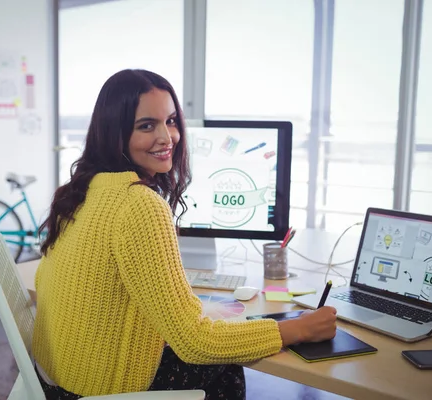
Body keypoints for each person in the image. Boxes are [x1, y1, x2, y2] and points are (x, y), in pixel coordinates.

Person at [32, 69, 337, 399]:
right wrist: (297, 328)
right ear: (115, 133)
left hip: (59, 380)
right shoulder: (138, 203)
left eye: (172, 121)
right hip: (102, 392)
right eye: (146, 125)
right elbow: (196, 343)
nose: (168, 137)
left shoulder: (80, 190)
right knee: (225, 362)